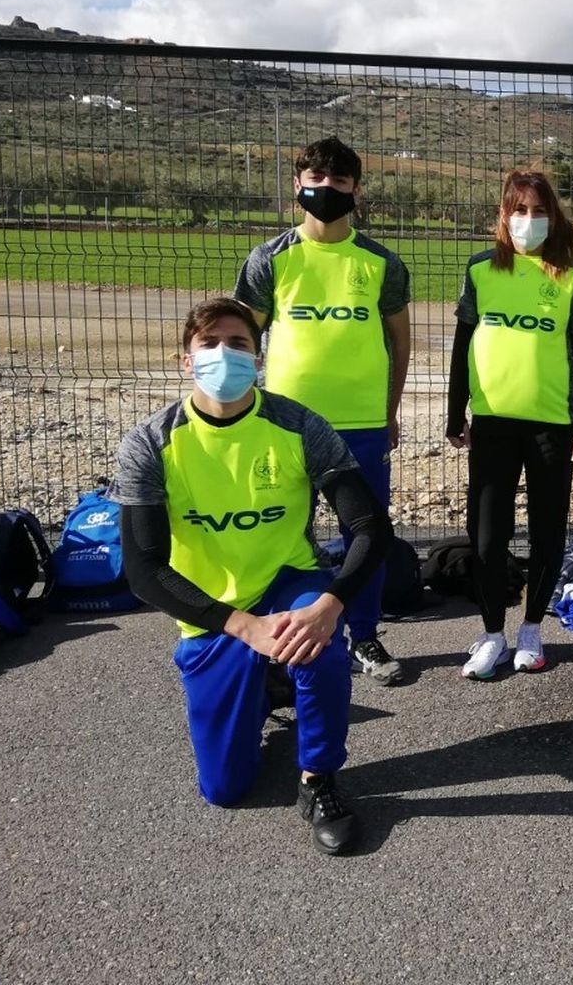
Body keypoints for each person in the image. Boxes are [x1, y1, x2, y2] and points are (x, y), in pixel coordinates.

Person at [113, 298, 391, 854]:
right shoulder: (150, 443)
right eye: (208, 344)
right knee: (226, 789)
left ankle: (319, 780)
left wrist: (330, 605)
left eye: (238, 344)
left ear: (258, 358)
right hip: (214, 612)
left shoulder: (297, 423)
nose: (224, 354)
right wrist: (241, 626)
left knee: (318, 643)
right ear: (184, 361)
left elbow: (369, 526)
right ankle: (267, 684)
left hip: (289, 582)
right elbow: (144, 571)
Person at [234, 136, 411, 686]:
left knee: (367, 534)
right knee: (283, 533)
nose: (326, 190)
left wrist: (389, 411)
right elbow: (241, 340)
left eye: (338, 182)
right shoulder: (270, 258)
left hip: (360, 423)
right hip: (285, 425)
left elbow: (399, 344)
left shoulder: (380, 263)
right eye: (316, 180)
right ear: (298, 185)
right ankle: (279, 638)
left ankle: (364, 635)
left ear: (356, 189)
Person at [447, 168, 573, 678]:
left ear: (552, 217)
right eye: (519, 210)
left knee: (547, 531)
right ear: (504, 215)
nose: (529, 220)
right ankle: (492, 633)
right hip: (491, 423)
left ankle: (532, 629)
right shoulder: (479, 271)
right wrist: (455, 412)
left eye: (538, 211)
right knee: (488, 537)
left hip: (551, 428)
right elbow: (461, 347)